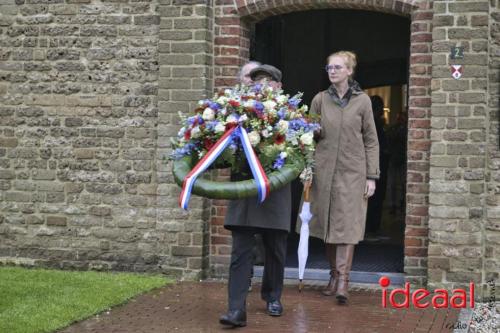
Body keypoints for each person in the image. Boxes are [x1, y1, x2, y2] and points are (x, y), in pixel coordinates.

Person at [298, 51, 379, 305]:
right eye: (329, 68)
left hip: (353, 171)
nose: (332, 71)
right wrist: (307, 167)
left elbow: (371, 139)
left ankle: (343, 280)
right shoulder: (320, 100)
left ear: (349, 71)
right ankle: (333, 275)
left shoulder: (363, 101)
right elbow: (307, 137)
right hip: (323, 170)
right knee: (327, 224)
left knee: (347, 225)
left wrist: (371, 176)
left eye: (337, 67)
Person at [219, 64, 291, 327]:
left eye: (269, 80)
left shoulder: (289, 113)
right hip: (244, 187)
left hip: (275, 188)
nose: (263, 85)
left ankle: (273, 295)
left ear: (279, 86)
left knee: (275, 248)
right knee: (241, 251)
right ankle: (236, 309)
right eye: (258, 80)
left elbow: (304, 143)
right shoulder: (236, 111)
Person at [236, 61, 266, 292]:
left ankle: (267, 285)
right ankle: (243, 280)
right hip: (241, 179)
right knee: (242, 238)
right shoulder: (229, 105)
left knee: (266, 236)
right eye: (248, 76)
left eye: (256, 77)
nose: (252, 81)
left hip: (266, 180)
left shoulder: (273, 106)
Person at [365, 95, 389, 239]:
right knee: (374, 197)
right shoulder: (373, 123)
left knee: (377, 198)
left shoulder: (377, 123)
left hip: (380, 164)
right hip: (376, 165)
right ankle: (371, 229)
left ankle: (373, 228)